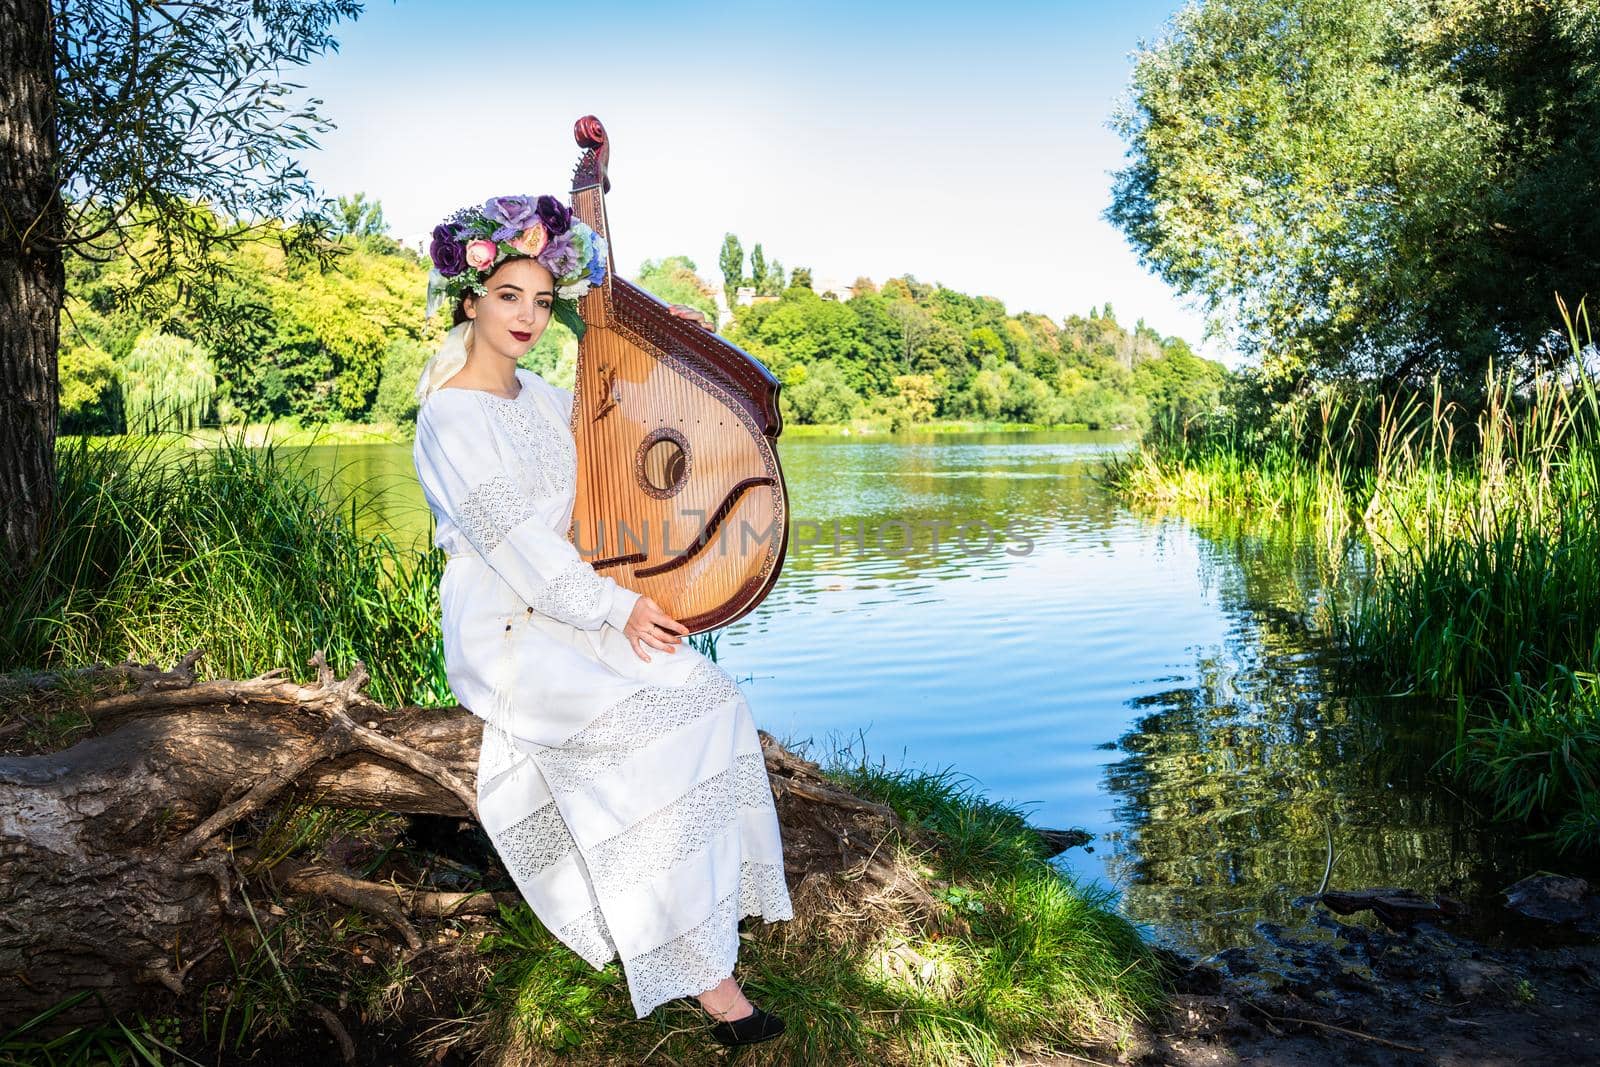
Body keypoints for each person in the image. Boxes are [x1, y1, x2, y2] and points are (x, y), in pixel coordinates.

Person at [410, 195, 792, 1047]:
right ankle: (704, 974)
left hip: (578, 602)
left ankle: (707, 912)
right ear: (470, 299)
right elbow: (516, 544)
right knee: (647, 728)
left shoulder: (547, 398)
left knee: (711, 693)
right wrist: (619, 610)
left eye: (544, 302)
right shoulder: (447, 416)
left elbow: (623, 448)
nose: (528, 317)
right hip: (508, 626)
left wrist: (672, 344)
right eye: (509, 295)